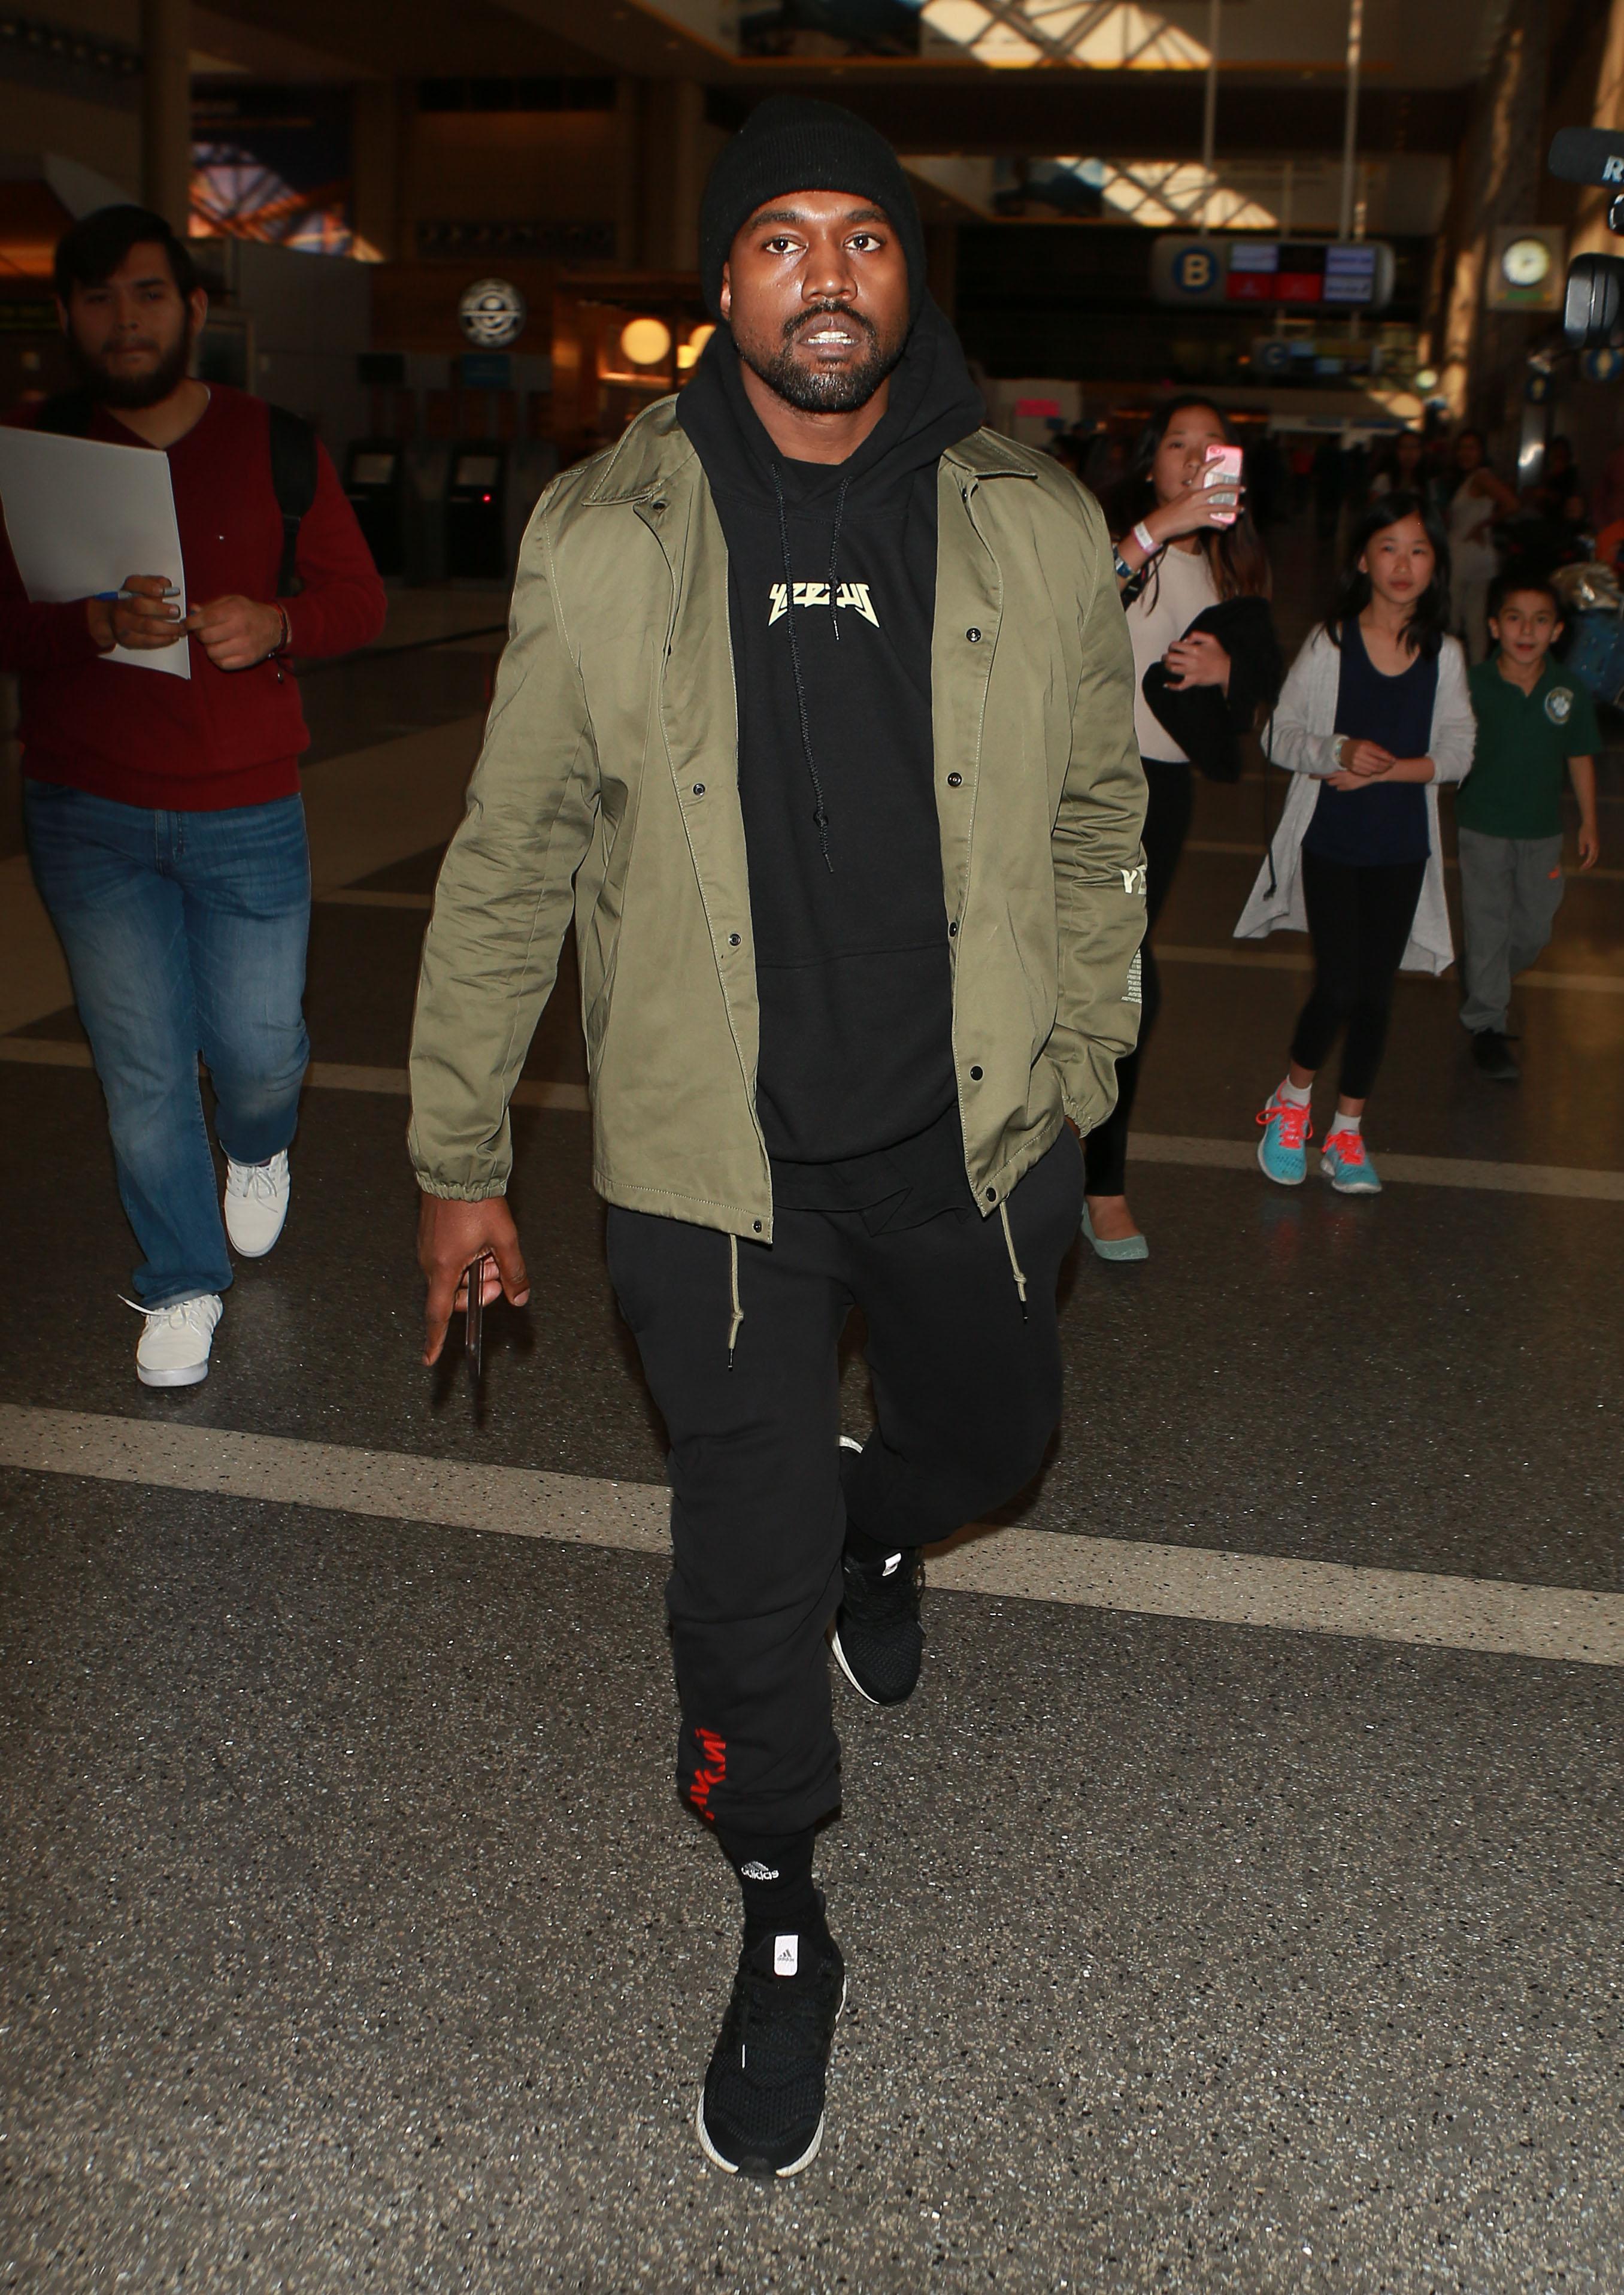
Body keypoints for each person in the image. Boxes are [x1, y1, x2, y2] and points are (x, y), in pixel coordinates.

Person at [407, 97, 1146, 2179]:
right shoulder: (604, 532)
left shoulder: (1031, 518)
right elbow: (508, 857)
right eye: (778, 242)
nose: (825, 275)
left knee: (997, 1442)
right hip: (705, 1163)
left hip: (968, 1129)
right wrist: (460, 1151)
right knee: (735, 1570)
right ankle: (781, 1908)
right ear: (720, 287)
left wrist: (1084, 1069)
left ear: (910, 280)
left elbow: (1103, 823)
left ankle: (881, 1525)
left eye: (863, 240)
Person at [5, 206, 385, 1386]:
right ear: (67, 315)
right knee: (145, 1067)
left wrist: (276, 622)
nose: (127, 319)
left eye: (149, 293)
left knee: (260, 1052)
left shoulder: (275, 443)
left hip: (246, 806)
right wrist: (88, 626)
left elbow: (357, 601)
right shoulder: (35, 447)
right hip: (87, 808)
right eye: (101, 297)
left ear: (195, 310)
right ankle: (179, 1278)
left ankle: (261, 1145)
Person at [1236, 492, 1475, 1193]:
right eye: (1390, 548)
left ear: (1436, 564)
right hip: (1332, 842)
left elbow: (1460, 751)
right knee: (1338, 985)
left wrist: (1389, 771)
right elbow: (1279, 735)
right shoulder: (1331, 643)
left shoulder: (1445, 654)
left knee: (1376, 995)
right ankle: (1294, 1100)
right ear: (1364, 559)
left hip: (1403, 846)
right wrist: (1338, 750)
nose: (1404, 565)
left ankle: (1348, 1131)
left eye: (1419, 550)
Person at [1083, 397, 1276, 1259]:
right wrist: (1160, 527)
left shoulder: (1231, 575)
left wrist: (1228, 671)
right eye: (1179, 445)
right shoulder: (1126, 542)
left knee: (1120, 981)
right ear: (1152, 464)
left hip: (1160, 795)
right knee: (1120, 983)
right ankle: (1095, 1180)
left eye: (1212, 448)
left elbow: (1248, 704)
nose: (1197, 459)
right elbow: (1081, 609)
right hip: (1081, 784)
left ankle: (1097, 1181)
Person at [1456, 573, 1601, 1082]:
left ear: (1557, 631)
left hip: (1542, 832)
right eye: (1515, 618)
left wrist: (1589, 821)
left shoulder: (1568, 690)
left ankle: (1484, 973)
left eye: (1541, 621)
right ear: (1495, 626)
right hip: (1483, 827)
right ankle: (1487, 1027)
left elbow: (1580, 755)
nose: (1527, 630)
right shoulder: (1473, 685)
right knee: (1490, 922)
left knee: (1534, 931)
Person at [1440, 429, 1518, 663]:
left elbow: (1512, 504)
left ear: (1482, 452)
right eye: (1462, 448)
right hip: (1475, 554)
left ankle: (1450, 668)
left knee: (1454, 617)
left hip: (1465, 555)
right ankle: (1475, 671)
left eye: (1471, 448)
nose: (1465, 453)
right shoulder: (1470, 480)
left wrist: (1483, 524)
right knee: (1474, 620)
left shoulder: (1481, 478)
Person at [1369, 429, 1426, 501]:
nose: (1409, 453)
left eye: (1414, 447)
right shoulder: (1383, 481)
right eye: (1404, 447)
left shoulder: (1429, 483)